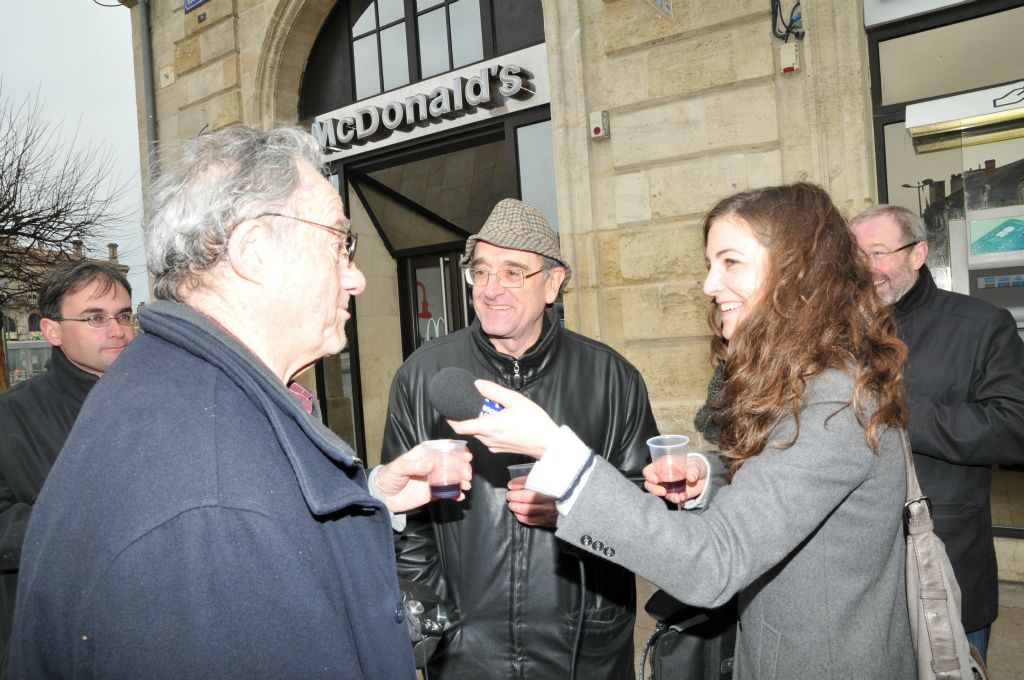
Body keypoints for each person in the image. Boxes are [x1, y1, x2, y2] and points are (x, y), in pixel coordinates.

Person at [9, 125, 471, 679]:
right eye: (338, 243)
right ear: (252, 251)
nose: (357, 277)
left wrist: (369, 497)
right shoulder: (213, 499)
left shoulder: (174, 385)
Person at [449, 183, 917, 679]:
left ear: (798, 273)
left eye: (730, 262)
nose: (709, 285)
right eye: (710, 264)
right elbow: (787, 477)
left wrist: (554, 449)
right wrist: (709, 475)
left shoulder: (834, 399)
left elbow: (711, 564)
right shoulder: (807, 382)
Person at [381, 198, 660, 679]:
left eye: (513, 273)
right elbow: (408, 522)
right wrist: (441, 625)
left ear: (553, 283)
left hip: (584, 653)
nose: (491, 289)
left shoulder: (612, 378)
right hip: (468, 657)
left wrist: (574, 505)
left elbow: (648, 516)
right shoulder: (423, 376)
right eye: (482, 272)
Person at [850, 204, 1024, 660]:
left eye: (879, 252)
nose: (868, 268)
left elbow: (1013, 428)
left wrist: (898, 411)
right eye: (856, 256)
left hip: (946, 561)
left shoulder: (982, 326)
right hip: (858, 572)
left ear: (918, 253)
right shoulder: (837, 332)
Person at [0, 262, 134, 675]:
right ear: (52, 331)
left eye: (125, 315)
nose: (118, 330)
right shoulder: (9, 418)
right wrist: (87, 521)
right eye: (96, 317)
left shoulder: (168, 403)